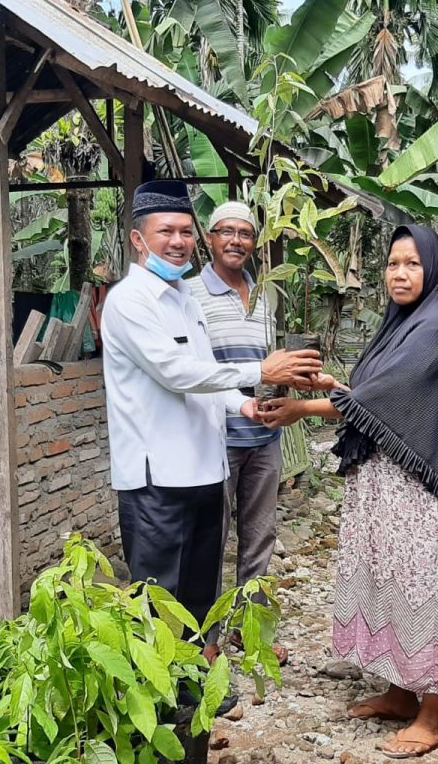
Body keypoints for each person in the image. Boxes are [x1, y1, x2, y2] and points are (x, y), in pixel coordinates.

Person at [260, 225, 438, 759]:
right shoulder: (402, 325)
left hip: (418, 490)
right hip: (383, 485)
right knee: (387, 581)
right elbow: (373, 396)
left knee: (423, 586)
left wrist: (301, 408)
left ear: (432, 269)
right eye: (392, 264)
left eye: (412, 264)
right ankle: (397, 690)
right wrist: (334, 390)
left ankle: (432, 715)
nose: (400, 273)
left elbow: (389, 398)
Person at [100, 180, 321, 633]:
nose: (178, 242)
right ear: (138, 239)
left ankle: (198, 686)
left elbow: (204, 371)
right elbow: (175, 372)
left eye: (185, 231)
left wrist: (242, 407)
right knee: (161, 595)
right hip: (157, 478)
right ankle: (165, 699)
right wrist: (260, 372)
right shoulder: (129, 301)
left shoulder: (183, 298)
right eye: (166, 232)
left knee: (200, 591)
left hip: (205, 469)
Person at [187, 201, 289, 665]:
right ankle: (203, 639)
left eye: (245, 234)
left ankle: (253, 633)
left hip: (265, 437)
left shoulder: (265, 295)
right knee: (211, 537)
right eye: (225, 232)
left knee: (260, 536)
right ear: (209, 239)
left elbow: (270, 365)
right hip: (215, 437)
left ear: (254, 243)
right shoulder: (190, 295)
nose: (235, 241)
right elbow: (194, 370)